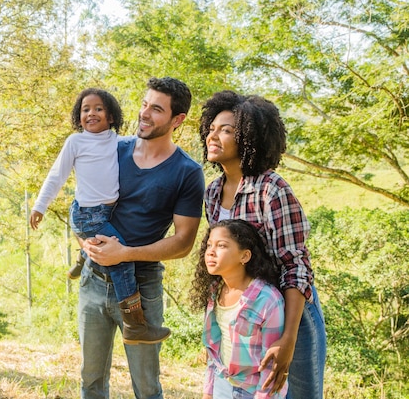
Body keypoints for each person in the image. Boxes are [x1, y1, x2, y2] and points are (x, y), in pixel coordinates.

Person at [81, 77, 205, 399]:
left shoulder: (187, 172)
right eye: (144, 104)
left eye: (157, 109)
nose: (145, 114)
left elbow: (183, 242)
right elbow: (84, 203)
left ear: (178, 120)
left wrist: (124, 253)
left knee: (147, 388)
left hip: (142, 288)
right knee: (91, 382)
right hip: (93, 280)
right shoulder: (113, 148)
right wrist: (84, 242)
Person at [199, 90, 326, 399]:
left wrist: (288, 339)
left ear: (248, 137)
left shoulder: (272, 189)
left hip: (288, 312)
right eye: (212, 129)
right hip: (243, 315)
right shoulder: (213, 193)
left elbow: (295, 267)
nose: (213, 136)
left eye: (226, 130)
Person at [29, 87, 170, 345]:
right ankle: (134, 324)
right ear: (78, 116)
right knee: (122, 259)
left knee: (111, 237)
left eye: (98, 109)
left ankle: (83, 258)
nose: (91, 113)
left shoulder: (117, 141)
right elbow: (56, 175)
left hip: (106, 212)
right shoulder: (76, 142)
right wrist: (40, 206)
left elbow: (145, 144)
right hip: (88, 216)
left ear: (111, 116)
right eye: (85, 109)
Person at [190, 219, 287, 399]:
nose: (210, 251)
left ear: (245, 256)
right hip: (222, 385)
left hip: (253, 391)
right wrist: (207, 393)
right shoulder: (215, 291)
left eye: (221, 245)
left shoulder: (267, 300)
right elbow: (214, 351)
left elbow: (271, 367)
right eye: (209, 245)